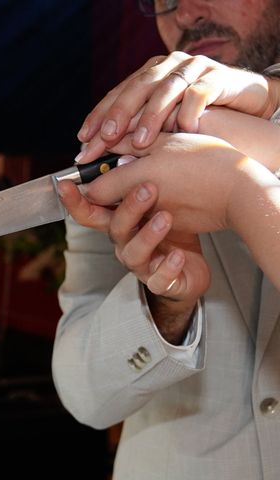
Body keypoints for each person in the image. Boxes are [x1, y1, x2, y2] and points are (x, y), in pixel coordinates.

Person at [51, 1, 280, 479]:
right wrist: (164, 311)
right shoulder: (124, 152)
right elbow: (85, 397)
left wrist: (240, 183)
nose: (186, 14)